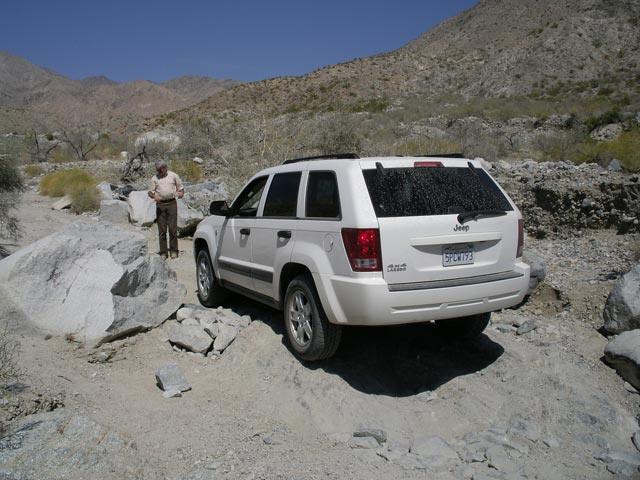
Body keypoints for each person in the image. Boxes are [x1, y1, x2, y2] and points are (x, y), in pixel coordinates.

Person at [148, 160, 184, 259]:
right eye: (158, 170)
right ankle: (163, 252)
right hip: (160, 205)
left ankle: (174, 251)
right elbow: (150, 192)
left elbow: (180, 187)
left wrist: (181, 192)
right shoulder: (154, 179)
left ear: (165, 167)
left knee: (173, 229)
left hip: (172, 203)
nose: (160, 171)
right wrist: (154, 196)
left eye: (161, 169)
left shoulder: (173, 176)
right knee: (162, 229)